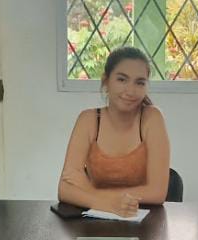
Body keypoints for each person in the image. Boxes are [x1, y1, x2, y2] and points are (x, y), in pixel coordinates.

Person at [58, 46, 171, 217]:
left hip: (142, 220)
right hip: (94, 220)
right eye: (122, 79)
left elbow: (157, 193)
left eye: (139, 82)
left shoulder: (152, 118)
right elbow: (65, 189)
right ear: (106, 81)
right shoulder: (88, 120)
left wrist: (89, 191)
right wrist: (109, 205)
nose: (130, 91)